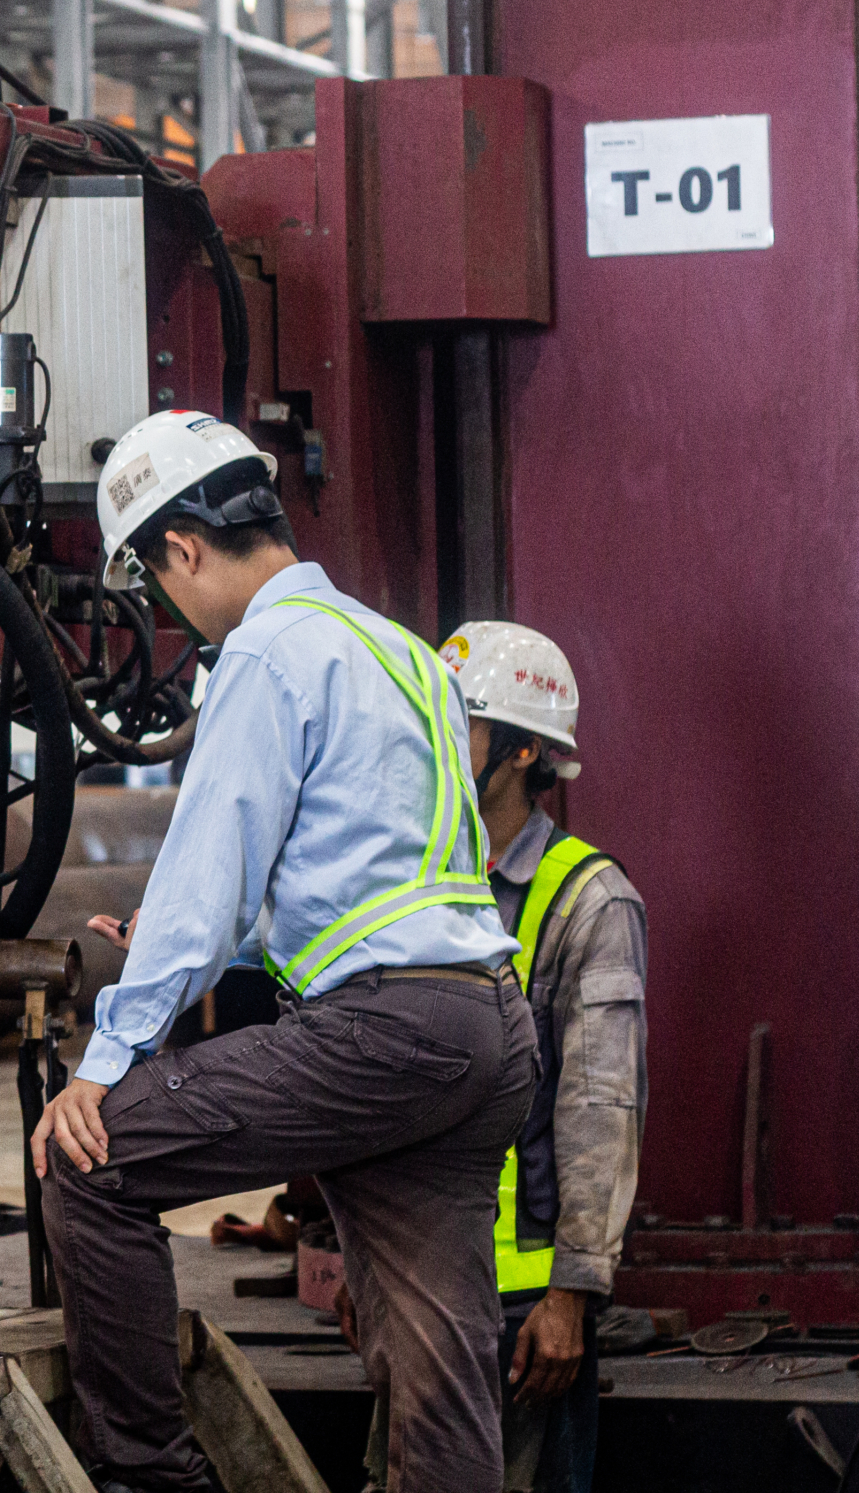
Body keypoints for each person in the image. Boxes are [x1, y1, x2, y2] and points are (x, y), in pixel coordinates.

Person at [28, 409, 538, 1493]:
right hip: (483, 1028)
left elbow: (207, 868)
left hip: (388, 1036)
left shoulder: (264, 651)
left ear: (180, 548)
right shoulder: (401, 650)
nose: (169, 611)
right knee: (441, 1367)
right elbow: (382, 880)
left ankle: (152, 1481)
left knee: (90, 1162)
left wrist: (105, 1062)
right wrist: (237, 945)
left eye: (155, 584)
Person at [339, 621, 646, 1493]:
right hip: (418, 1280)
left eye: (458, 722)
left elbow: (602, 1108)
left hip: (525, 1304)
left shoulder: (591, 902)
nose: (432, 738)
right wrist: (360, 1256)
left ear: (521, 750)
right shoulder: (408, 884)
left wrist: (571, 1294)